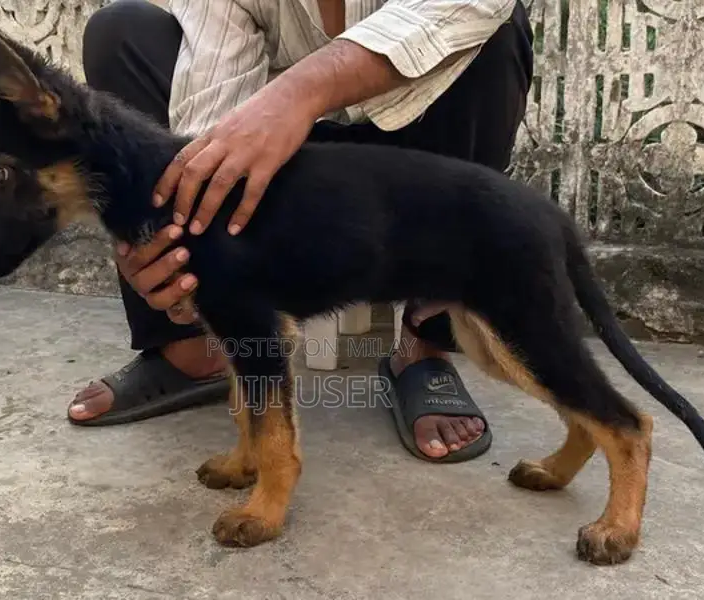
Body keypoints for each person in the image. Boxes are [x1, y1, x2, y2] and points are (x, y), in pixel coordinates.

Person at [70, 0, 533, 463]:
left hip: (410, 141)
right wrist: (181, 246)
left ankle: (424, 343)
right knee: (122, 32)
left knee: (496, 31)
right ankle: (197, 346)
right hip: (283, 163)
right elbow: (209, 115)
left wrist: (299, 92)